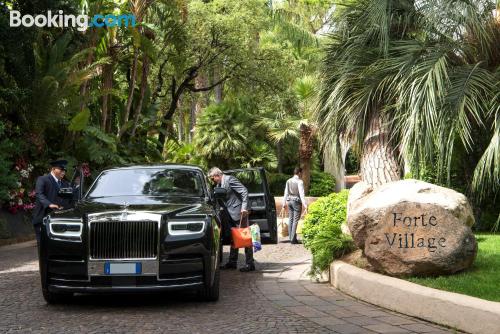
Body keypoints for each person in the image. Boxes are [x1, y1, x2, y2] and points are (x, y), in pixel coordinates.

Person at [208, 167, 255, 272]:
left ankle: (250, 264)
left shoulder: (230, 179)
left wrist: (244, 208)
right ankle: (232, 262)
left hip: (240, 212)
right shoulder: (218, 185)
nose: (212, 180)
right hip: (230, 214)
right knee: (234, 238)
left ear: (217, 175)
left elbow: (244, 191)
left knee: (245, 237)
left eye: (212, 178)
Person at [32, 160, 69, 242]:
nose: (63, 172)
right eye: (61, 170)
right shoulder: (43, 179)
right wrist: (49, 204)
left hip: (59, 220)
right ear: (53, 169)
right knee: (43, 244)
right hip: (43, 217)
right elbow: (39, 194)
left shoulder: (65, 184)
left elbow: (67, 198)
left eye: (64, 170)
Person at [282, 167, 307, 244]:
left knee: (291, 219)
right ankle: (293, 239)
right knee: (295, 220)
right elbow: (301, 194)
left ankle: (291, 238)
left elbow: (286, 193)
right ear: (299, 173)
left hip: (289, 201)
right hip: (296, 202)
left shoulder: (288, 181)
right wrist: (305, 205)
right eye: (301, 173)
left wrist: (283, 203)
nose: (302, 174)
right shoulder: (300, 182)